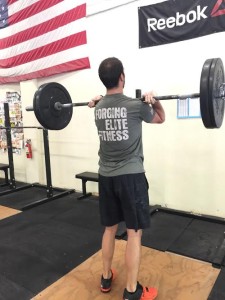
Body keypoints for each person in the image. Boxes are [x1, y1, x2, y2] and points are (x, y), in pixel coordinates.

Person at [88, 57, 165, 300]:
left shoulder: (97, 107)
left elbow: (103, 101)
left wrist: (98, 99)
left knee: (109, 229)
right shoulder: (135, 106)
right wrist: (156, 101)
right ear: (122, 77)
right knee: (133, 232)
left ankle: (105, 277)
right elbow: (161, 118)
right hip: (131, 177)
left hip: (106, 177)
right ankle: (132, 291)